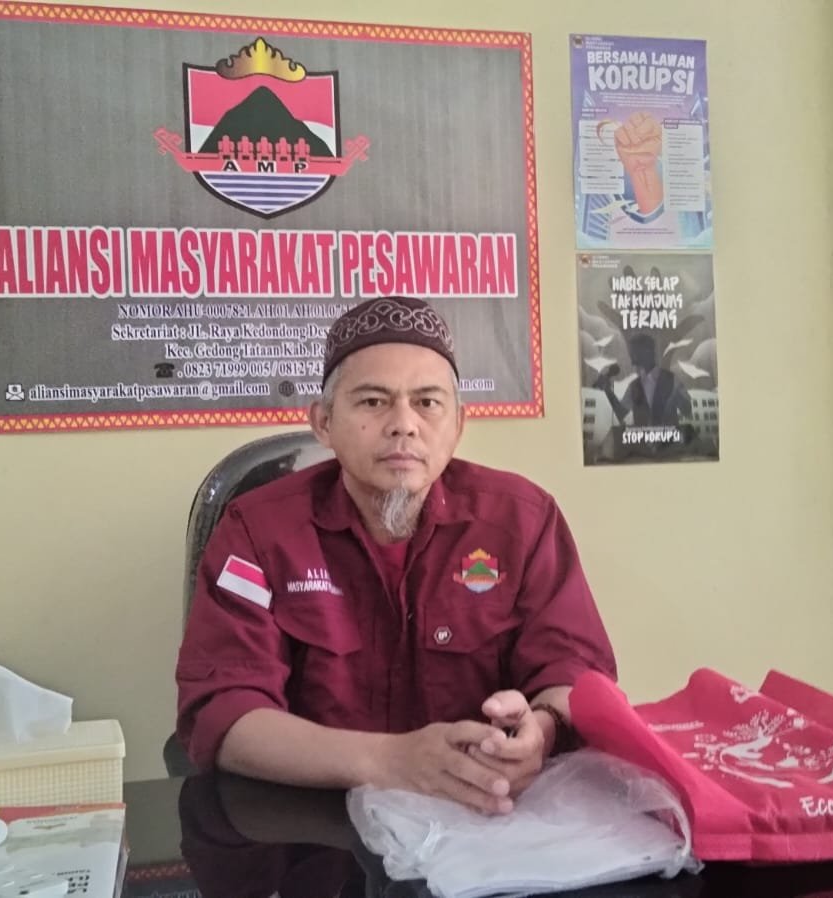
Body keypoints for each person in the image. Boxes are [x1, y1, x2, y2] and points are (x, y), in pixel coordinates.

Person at [175, 295, 617, 816]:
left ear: (458, 424)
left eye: (427, 403)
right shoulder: (257, 530)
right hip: (312, 826)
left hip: (482, 819)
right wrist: (390, 760)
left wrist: (539, 732)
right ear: (323, 422)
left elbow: (577, 676)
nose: (403, 424)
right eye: (372, 402)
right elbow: (223, 713)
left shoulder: (522, 521)